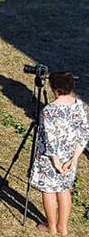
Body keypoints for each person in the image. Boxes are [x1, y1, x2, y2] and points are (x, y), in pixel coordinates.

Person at [31, 72, 89, 236]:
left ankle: (52, 226)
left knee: (49, 190)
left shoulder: (50, 110)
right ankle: (63, 227)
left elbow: (49, 139)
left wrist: (55, 162)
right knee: (64, 190)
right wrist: (74, 158)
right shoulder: (78, 105)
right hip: (70, 156)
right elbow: (84, 134)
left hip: (51, 159)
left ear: (54, 89)